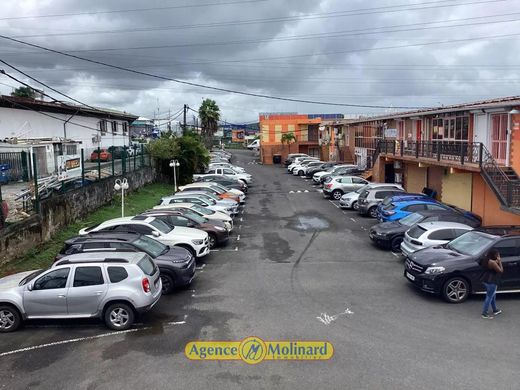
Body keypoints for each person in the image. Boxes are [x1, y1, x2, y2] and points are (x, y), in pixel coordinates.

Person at [480, 249, 503, 319]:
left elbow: (491, 265)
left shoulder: (486, 260)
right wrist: (500, 262)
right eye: (497, 254)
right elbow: (501, 270)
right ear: (494, 255)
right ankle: (484, 313)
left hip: (485, 279)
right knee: (489, 296)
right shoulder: (493, 262)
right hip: (492, 281)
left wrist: (496, 261)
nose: (498, 256)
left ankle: (495, 309)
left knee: (493, 295)